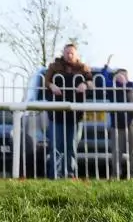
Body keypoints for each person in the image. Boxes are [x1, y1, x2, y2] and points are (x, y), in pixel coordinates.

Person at [42, 42, 92, 178]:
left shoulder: (83, 68)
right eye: (67, 53)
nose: (69, 55)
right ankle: (55, 175)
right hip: (56, 113)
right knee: (57, 146)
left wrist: (85, 84)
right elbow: (45, 81)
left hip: (76, 114)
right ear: (63, 54)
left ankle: (70, 174)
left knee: (72, 146)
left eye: (72, 53)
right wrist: (51, 86)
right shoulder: (54, 66)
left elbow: (91, 81)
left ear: (76, 55)